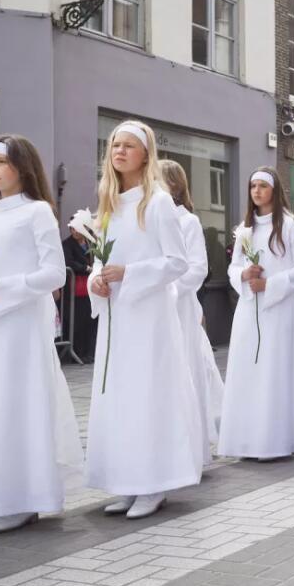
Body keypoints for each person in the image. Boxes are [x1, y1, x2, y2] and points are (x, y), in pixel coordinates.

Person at [0, 135, 83, 535]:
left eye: (2, 162)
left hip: (20, 327)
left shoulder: (37, 211)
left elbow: (54, 274)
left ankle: (23, 500)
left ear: (22, 167)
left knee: (16, 408)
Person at [87, 121, 202, 520]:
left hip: (149, 318)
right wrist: (96, 280)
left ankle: (153, 483)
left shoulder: (158, 202)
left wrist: (129, 274)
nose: (119, 151)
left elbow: (177, 262)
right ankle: (125, 481)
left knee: (148, 396)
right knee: (119, 398)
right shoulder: (109, 204)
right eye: (115, 145)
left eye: (128, 146)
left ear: (145, 154)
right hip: (117, 317)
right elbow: (101, 259)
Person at [218, 168, 294, 459]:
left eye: (263, 186)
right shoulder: (246, 229)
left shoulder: (288, 224)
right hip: (250, 310)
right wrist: (243, 274)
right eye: (253, 186)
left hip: (280, 311)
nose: (257, 191)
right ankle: (248, 440)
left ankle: (276, 440)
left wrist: (271, 284)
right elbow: (233, 267)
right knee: (249, 369)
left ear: (274, 191)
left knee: (274, 371)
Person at [159, 159, 223, 465]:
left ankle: (190, 442)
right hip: (152, 307)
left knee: (184, 366)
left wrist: (168, 290)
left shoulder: (188, 222)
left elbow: (197, 267)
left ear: (173, 184)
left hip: (179, 306)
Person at [61, 224, 96, 363]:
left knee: (90, 320)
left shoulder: (90, 242)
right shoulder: (67, 244)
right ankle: (78, 353)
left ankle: (89, 352)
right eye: (72, 229)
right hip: (75, 289)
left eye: (77, 228)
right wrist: (86, 268)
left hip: (89, 288)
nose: (74, 231)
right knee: (77, 320)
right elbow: (69, 262)